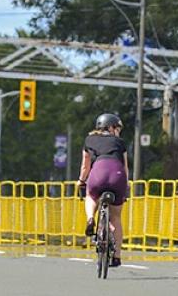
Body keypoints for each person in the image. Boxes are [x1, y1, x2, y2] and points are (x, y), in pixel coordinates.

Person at [77, 113, 130, 267]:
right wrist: (125, 186)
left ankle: (90, 218)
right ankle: (117, 257)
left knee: (91, 195)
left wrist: (81, 181)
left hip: (97, 174)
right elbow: (125, 167)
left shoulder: (89, 140)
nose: (118, 132)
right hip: (117, 176)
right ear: (111, 127)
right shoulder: (120, 142)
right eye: (117, 128)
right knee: (116, 218)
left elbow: (85, 167)